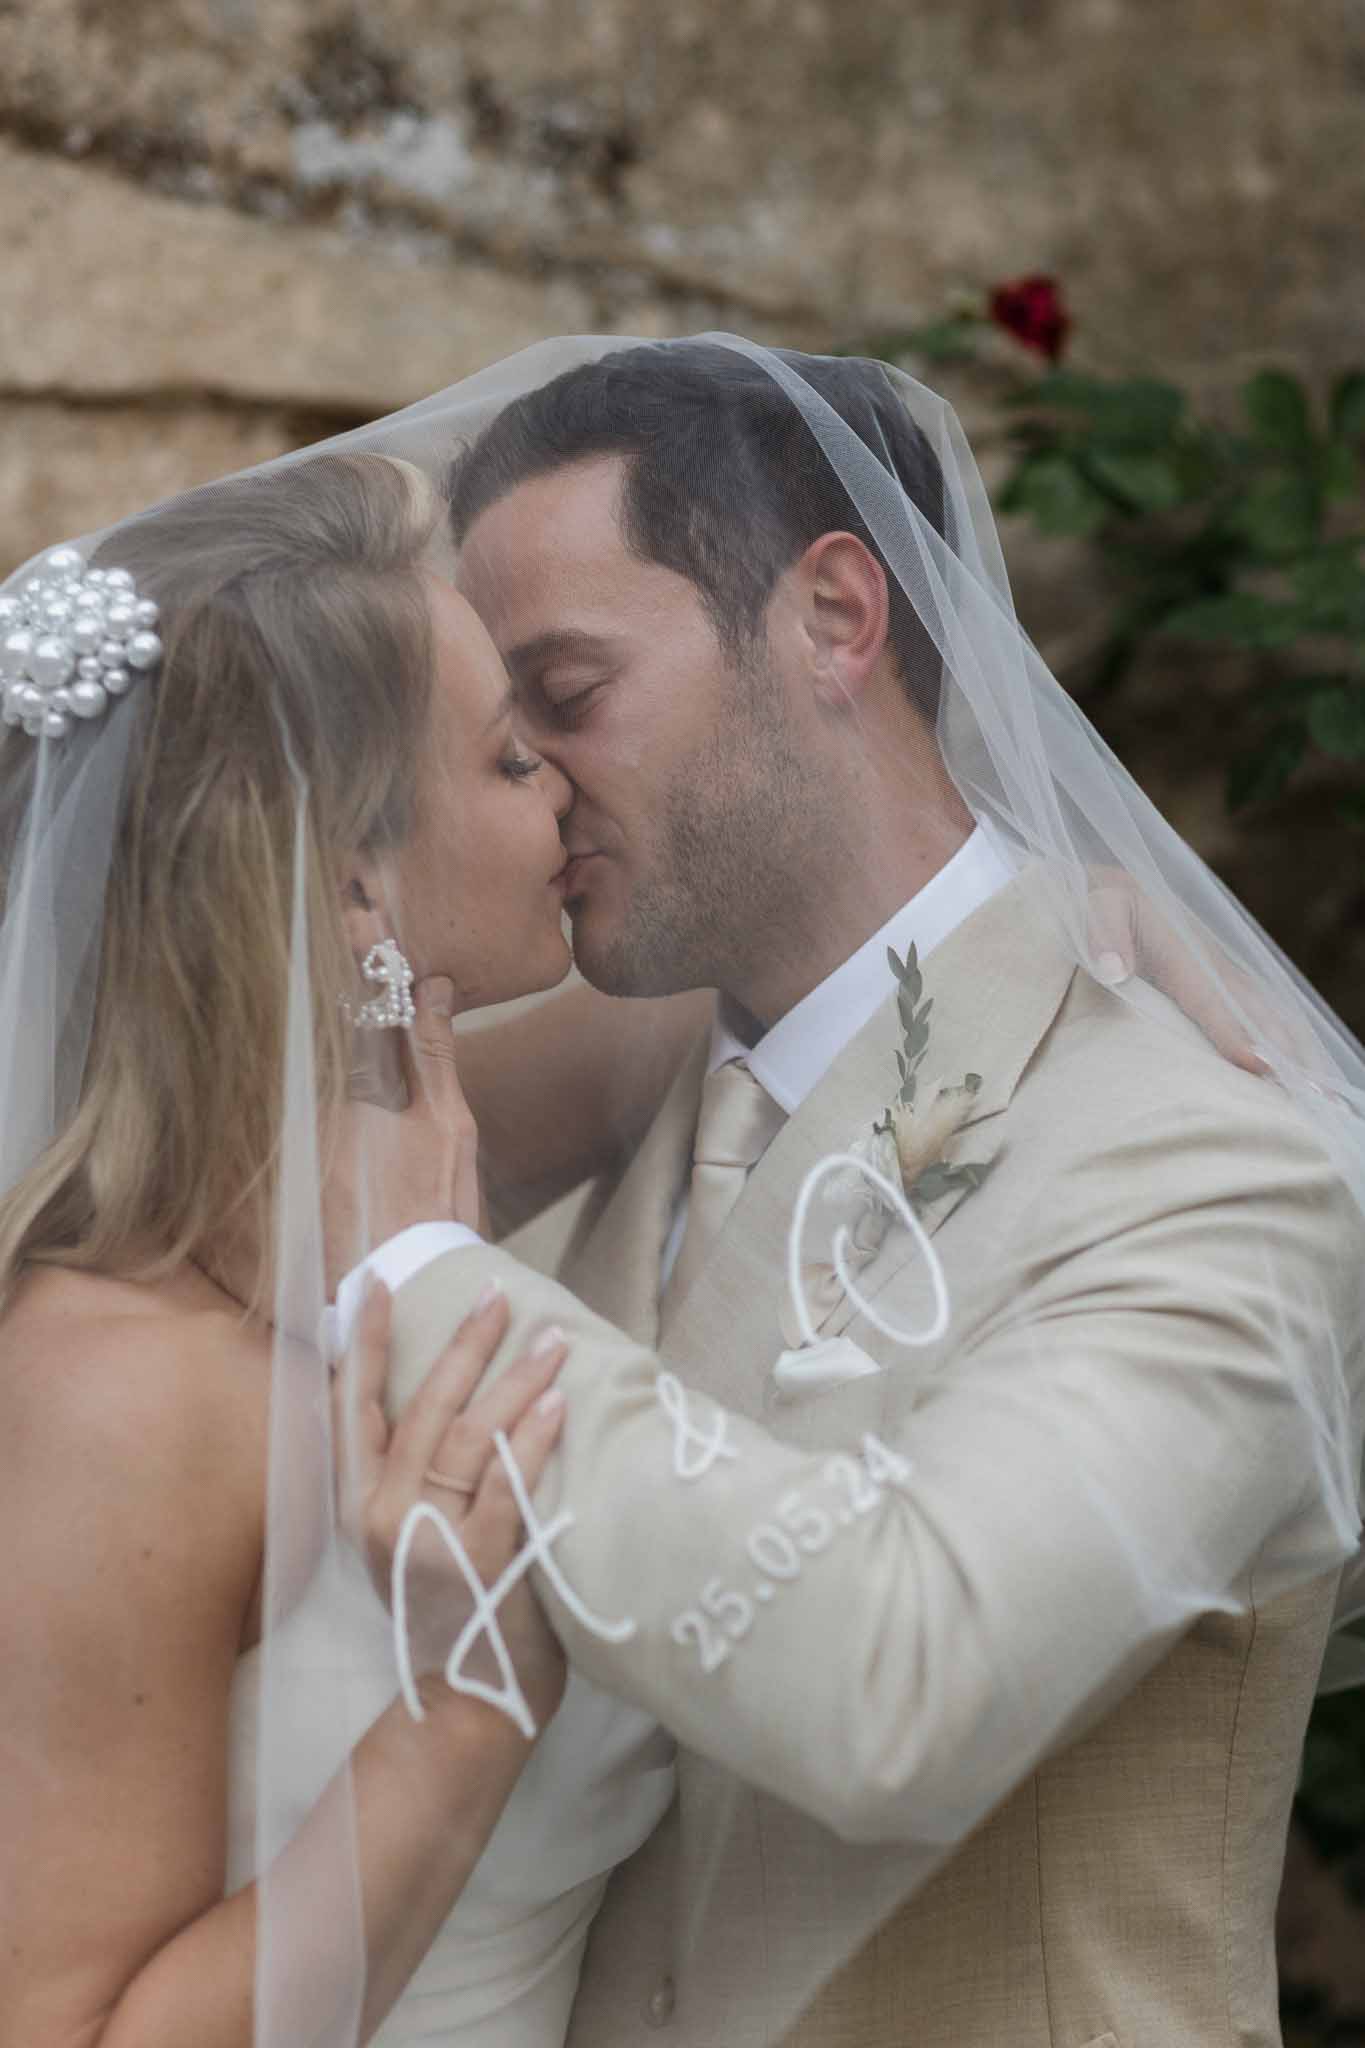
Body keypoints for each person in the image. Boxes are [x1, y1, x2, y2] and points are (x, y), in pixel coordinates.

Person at [331, 339, 1365, 2048]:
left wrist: (422, 1268)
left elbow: (913, 1685)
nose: (527, 788)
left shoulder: (1203, 1157)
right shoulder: (575, 1090)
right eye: (496, 735)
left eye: (570, 696)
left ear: (831, 618)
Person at [0, 451, 677, 2048]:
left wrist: (1064, 918)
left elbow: (721, 1004)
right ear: (356, 877)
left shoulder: (389, 1185)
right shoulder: (131, 1395)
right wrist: (460, 1715)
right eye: (515, 759)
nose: (566, 787)